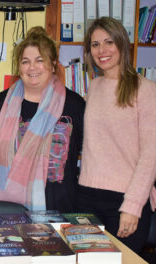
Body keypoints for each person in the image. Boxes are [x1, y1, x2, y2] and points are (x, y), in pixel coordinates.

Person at [0, 27, 85, 214]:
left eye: (40, 61)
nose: (32, 68)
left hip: (61, 210)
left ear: (53, 64)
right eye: (25, 61)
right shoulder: (1, 103)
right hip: (7, 210)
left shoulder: (74, 105)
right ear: (19, 67)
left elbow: (94, 152)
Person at [78, 17, 156, 253]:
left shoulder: (146, 89)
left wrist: (132, 206)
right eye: (95, 44)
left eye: (109, 42)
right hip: (85, 198)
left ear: (122, 43)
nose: (102, 50)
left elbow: (151, 155)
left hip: (124, 201)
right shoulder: (93, 87)